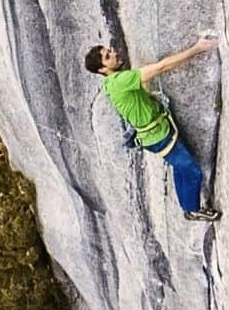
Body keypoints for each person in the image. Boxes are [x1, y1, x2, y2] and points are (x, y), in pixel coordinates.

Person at [85, 35, 221, 222]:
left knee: (180, 167)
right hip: (159, 137)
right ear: (103, 69)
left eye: (109, 50)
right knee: (192, 170)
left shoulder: (110, 83)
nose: (114, 52)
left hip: (155, 134)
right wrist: (197, 48)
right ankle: (193, 210)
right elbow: (161, 67)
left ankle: (188, 207)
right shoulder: (121, 81)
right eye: (108, 56)